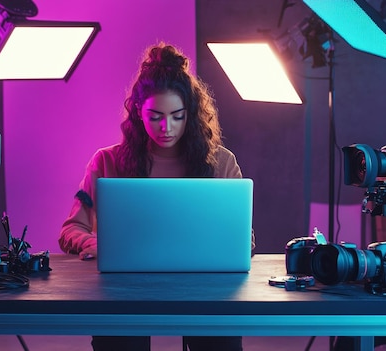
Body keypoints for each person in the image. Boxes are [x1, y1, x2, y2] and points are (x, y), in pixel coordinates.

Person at [58, 43, 246, 351]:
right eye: (155, 116)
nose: (166, 127)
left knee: (219, 341)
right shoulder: (106, 162)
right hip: (124, 290)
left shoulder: (221, 162)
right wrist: (98, 244)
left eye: (177, 116)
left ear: (192, 114)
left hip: (205, 292)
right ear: (137, 113)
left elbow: (242, 239)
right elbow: (70, 230)